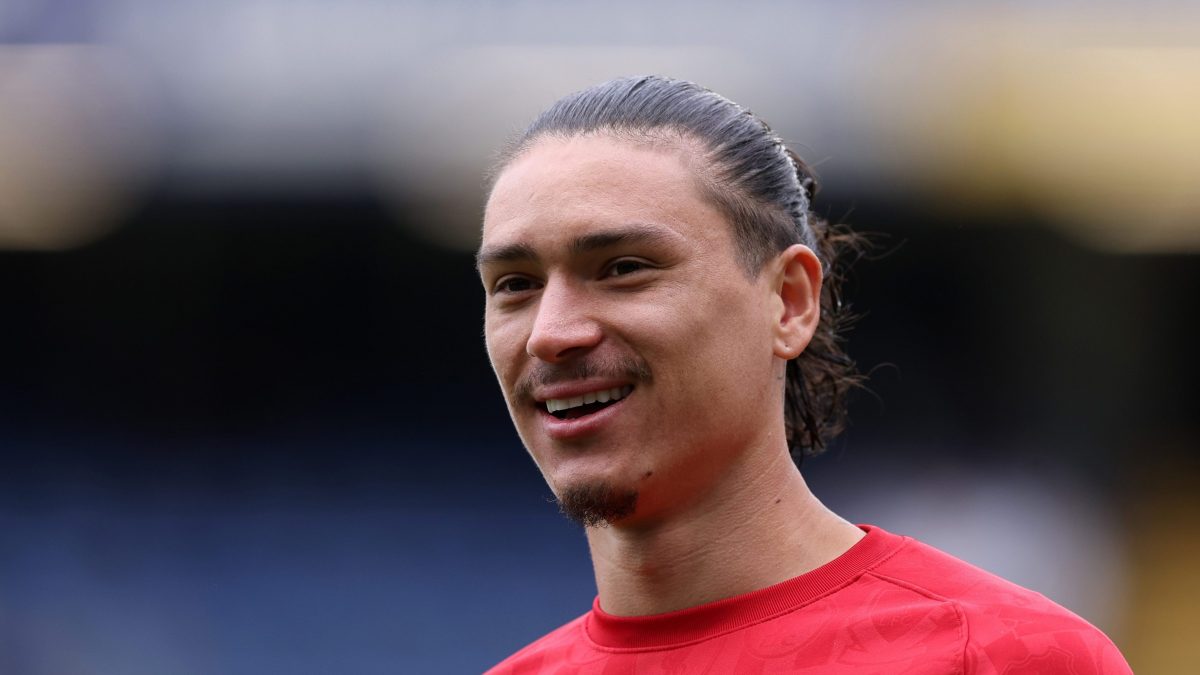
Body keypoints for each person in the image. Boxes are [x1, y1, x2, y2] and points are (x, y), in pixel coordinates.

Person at [476, 75, 1132, 674]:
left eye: (624, 268)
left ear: (789, 301)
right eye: (515, 284)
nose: (550, 333)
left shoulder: (1003, 657)